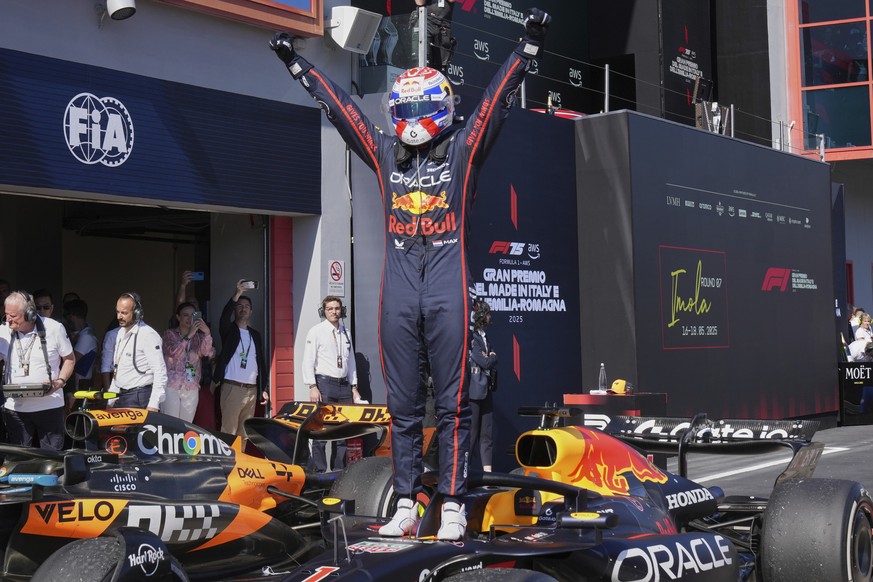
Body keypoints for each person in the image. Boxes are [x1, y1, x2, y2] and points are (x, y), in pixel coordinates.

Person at [270, 7, 551, 541]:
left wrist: (526, 48)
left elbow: (493, 104)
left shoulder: (463, 151)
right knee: (400, 407)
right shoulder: (383, 155)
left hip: (447, 287)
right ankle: (405, 499)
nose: (415, 115)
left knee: (452, 405)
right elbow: (345, 111)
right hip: (398, 293)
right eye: (408, 106)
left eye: (425, 104)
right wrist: (299, 66)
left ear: (443, 108)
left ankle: (450, 502)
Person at [0, 291, 74, 449]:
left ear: (29, 314)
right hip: (15, 409)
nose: (8, 319)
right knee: (19, 461)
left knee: (51, 460)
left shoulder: (54, 328)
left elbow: (69, 359)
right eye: (6, 314)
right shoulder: (3, 331)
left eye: (13, 315)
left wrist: (60, 382)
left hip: (49, 406)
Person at [302, 296, 360, 472]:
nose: (334, 312)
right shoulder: (316, 331)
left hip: (343, 386)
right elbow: (308, 360)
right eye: (330, 309)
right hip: (324, 384)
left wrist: (354, 387)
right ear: (324, 311)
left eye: (337, 308)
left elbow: (351, 362)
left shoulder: (346, 332)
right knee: (321, 429)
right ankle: (319, 471)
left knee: (342, 431)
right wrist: (312, 386)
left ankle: (338, 471)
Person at [213, 280, 269, 440]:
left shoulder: (255, 335)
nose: (243, 309)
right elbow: (223, 318)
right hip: (233, 388)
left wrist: (263, 387)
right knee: (228, 431)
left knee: (244, 434)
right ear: (235, 310)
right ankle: (228, 464)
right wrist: (237, 294)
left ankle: (241, 463)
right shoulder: (229, 330)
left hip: (251, 390)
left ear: (251, 311)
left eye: (246, 307)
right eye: (240, 306)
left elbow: (260, 362)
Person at [109, 292, 167, 411]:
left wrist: (154, 404)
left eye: (124, 313)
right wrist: (111, 400)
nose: (119, 316)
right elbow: (118, 368)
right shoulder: (120, 332)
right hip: (122, 395)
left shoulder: (148, 334)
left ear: (137, 313)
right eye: (118, 312)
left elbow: (160, 371)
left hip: (140, 397)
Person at [162, 302, 214, 422]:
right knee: (170, 425)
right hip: (172, 385)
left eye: (193, 315)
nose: (190, 318)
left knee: (186, 426)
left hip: (191, 386)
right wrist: (188, 336)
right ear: (178, 317)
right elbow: (173, 352)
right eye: (185, 315)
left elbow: (206, 352)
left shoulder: (198, 337)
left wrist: (207, 333)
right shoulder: (169, 334)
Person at [468, 300, 497, 472]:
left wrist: (491, 356)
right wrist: (491, 357)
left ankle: (488, 475)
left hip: (487, 391)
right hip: (473, 392)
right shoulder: (474, 338)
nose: (489, 317)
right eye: (487, 314)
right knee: (471, 434)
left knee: (487, 433)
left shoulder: (485, 337)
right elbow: (485, 361)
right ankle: (465, 472)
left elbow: (491, 357)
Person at [63, 298, 99, 398]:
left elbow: (70, 360)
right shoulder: (85, 332)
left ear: (72, 316)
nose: (66, 320)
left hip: (81, 386)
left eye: (66, 316)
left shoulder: (86, 336)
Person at [414, 0, 456, 72]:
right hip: (425, 22)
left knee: (440, 68)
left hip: (443, 27)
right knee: (422, 62)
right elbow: (420, 2)